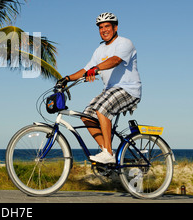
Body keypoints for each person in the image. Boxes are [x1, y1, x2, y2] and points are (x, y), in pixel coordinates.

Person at [58, 12, 141, 164]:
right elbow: (85, 70)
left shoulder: (124, 43)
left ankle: (108, 153)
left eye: (107, 26)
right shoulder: (99, 50)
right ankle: (107, 154)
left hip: (128, 90)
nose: (104, 30)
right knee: (86, 116)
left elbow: (115, 60)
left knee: (102, 109)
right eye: (101, 27)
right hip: (109, 91)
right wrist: (66, 79)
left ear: (115, 28)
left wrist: (95, 69)